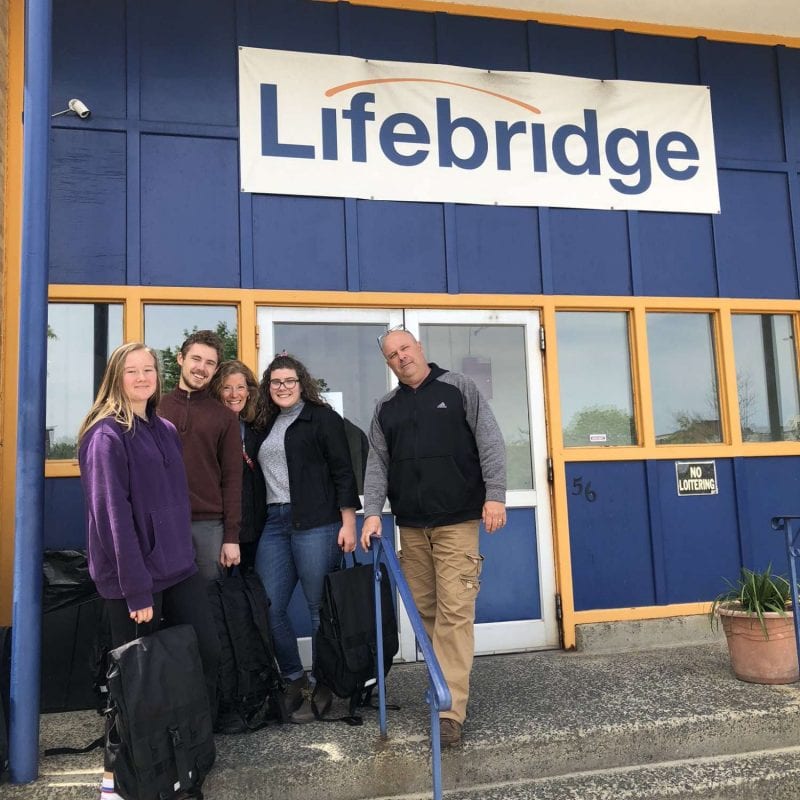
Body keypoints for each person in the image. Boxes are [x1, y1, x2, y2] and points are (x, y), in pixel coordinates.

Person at [78, 342, 220, 800]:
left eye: (148, 370)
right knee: (136, 683)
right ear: (116, 378)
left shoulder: (161, 428)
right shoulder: (106, 436)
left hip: (177, 569)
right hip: (132, 581)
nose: (142, 378)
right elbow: (113, 517)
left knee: (201, 657)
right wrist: (137, 591)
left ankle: (180, 765)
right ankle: (117, 782)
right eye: (132, 371)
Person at [360, 327, 506, 746]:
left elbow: (491, 442)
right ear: (387, 362)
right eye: (392, 354)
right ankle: (443, 688)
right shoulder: (385, 407)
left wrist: (494, 495)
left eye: (405, 348)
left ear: (419, 348)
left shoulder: (459, 388)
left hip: (457, 522)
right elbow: (377, 466)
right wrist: (372, 514)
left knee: (455, 611)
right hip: (411, 526)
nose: (400, 357)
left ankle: (449, 712)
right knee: (428, 614)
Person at [253, 353, 360, 722]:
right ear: (269, 387)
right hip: (275, 521)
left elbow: (343, 472)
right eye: (276, 382)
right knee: (268, 605)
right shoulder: (264, 423)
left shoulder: (322, 418)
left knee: (319, 610)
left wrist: (349, 523)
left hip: (317, 522)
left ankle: (324, 680)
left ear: (302, 384)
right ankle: (294, 677)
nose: (283, 387)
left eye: (290, 381)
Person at [159, 330, 242, 581]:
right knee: (167, 604)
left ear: (215, 370)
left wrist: (231, 537)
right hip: (162, 522)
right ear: (180, 359)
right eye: (196, 359)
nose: (201, 368)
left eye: (210, 363)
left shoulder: (224, 417)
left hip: (208, 526)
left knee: (209, 604)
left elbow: (232, 480)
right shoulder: (155, 409)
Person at [209, 360, 265, 574]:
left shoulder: (258, 427)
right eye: (227, 387)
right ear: (217, 391)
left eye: (240, 387)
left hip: (255, 527)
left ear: (249, 392)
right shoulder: (209, 428)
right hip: (217, 527)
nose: (234, 394)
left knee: (249, 595)